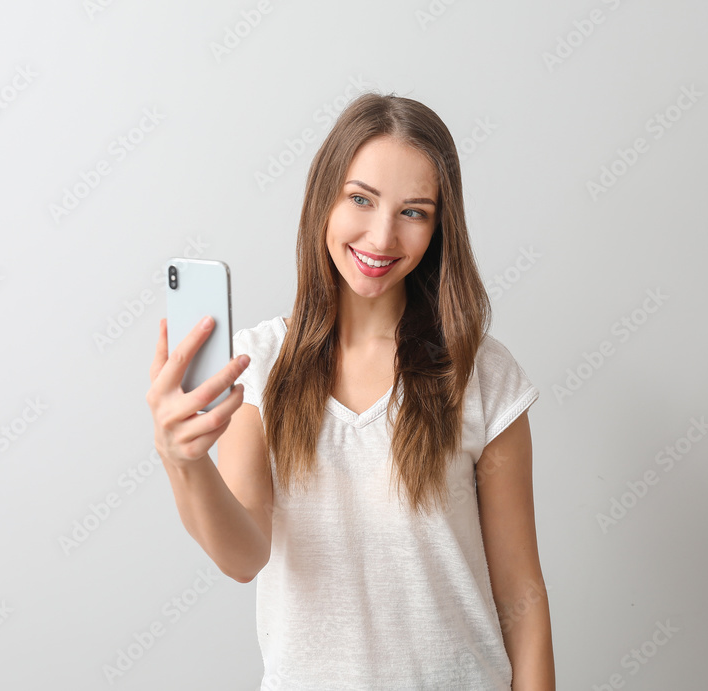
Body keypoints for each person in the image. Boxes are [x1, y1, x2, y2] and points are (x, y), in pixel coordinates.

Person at [146, 92, 554, 690]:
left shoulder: (481, 372)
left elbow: (521, 594)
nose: (382, 236)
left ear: (439, 227)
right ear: (324, 201)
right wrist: (181, 460)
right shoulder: (260, 364)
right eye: (360, 199)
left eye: (414, 211)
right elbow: (243, 556)